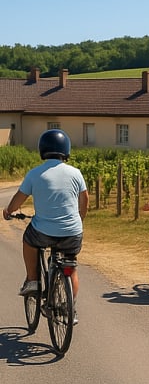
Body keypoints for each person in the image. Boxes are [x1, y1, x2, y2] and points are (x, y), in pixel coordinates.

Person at [3, 128, 89, 311]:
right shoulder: (76, 173)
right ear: (66, 150)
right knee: (70, 268)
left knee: (28, 239)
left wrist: (9, 211)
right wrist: (79, 219)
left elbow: (19, 199)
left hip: (44, 233)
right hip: (72, 233)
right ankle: (70, 309)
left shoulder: (35, 174)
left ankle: (33, 280)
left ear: (42, 150)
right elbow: (85, 199)